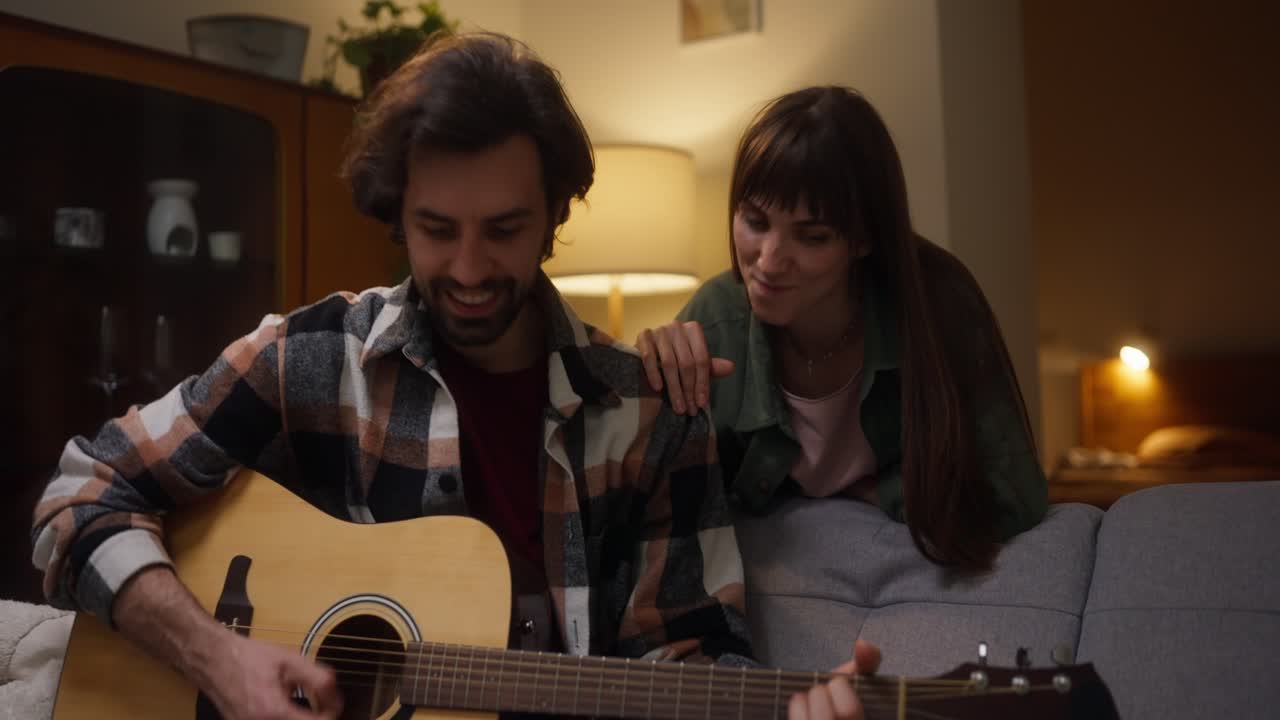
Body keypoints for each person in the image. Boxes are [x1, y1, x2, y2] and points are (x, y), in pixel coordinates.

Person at [30, 35, 877, 720]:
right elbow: (81, 496)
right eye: (437, 229)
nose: (470, 268)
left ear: (556, 215)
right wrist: (217, 658)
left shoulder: (654, 409)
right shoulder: (311, 357)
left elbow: (697, 654)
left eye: (505, 228)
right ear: (396, 214)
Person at [637, 86, 1048, 571]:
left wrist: (884, 493)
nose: (768, 262)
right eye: (754, 221)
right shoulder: (715, 317)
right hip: (783, 592)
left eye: (811, 237)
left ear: (864, 238)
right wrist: (642, 384)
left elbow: (1016, 497)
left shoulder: (938, 303)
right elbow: (646, 519)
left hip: (921, 581)